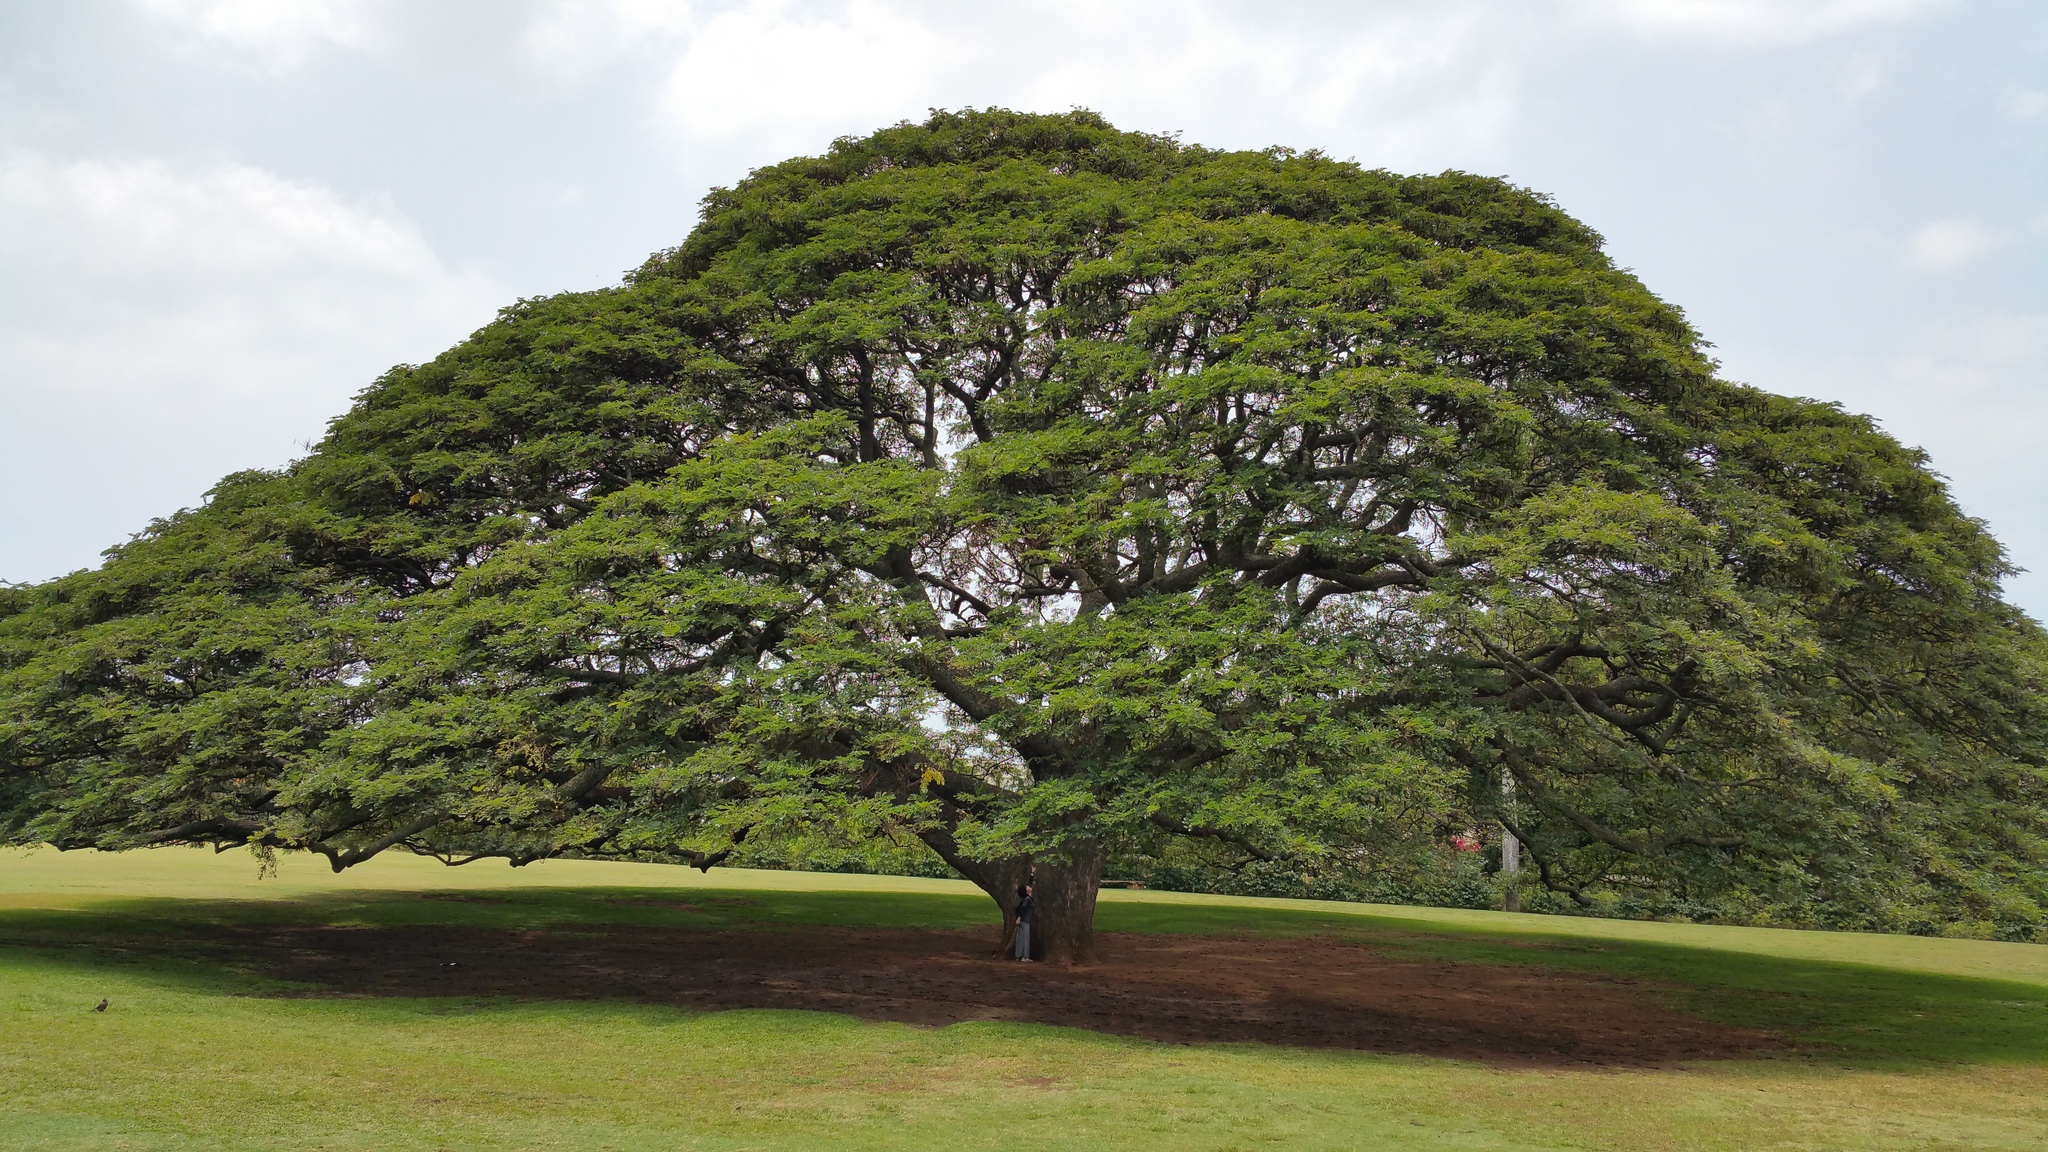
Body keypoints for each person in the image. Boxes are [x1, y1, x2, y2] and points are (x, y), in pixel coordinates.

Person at [1013, 883, 1035, 962]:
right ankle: (1025, 956)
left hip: (1023, 920)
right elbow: (1022, 908)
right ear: (1026, 891)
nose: (1029, 887)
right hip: (1025, 920)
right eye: (1027, 887)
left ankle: (1019, 955)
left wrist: (1032, 874)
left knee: (1021, 937)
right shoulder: (1027, 899)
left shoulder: (1025, 898)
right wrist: (1019, 917)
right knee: (1025, 937)